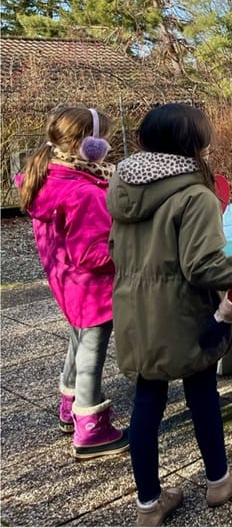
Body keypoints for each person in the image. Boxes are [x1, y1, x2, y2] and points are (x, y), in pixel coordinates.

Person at [106, 103, 232, 526]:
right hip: (182, 313)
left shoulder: (123, 188)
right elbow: (203, 266)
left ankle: (148, 505)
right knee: (201, 392)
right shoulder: (194, 194)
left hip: (133, 311)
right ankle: (218, 480)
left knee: (147, 401)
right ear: (194, 143)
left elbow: (115, 253)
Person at [15, 106, 130, 460]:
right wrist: (131, 251)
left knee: (79, 341)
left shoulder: (50, 175)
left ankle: (69, 403)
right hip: (94, 289)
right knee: (92, 352)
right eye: (104, 138)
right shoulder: (85, 193)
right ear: (89, 145)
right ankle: (90, 427)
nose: (108, 145)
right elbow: (92, 254)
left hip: (68, 285)